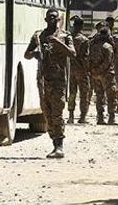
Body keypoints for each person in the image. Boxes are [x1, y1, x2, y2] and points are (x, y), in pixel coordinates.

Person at [24, 8, 76, 159]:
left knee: (57, 112)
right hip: (43, 80)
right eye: (50, 17)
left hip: (58, 81)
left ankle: (59, 146)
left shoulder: (65, 36)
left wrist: (59, 43)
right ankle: (54, 141)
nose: (53, 20)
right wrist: (35, 53)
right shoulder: (38, 36)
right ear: (46, 19)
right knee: (47, 113)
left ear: (59, 20)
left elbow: (72, 53)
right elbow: (26, 54)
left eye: (55, 18)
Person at [89, 27, 118, 125]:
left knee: (99, 96)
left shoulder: (93, 46)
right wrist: (100, 70)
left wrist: (94, 71)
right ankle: (111, 118)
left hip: (96, 75)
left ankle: (100, 118)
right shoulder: (108, 47)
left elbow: (90, 60)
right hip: (107, 75)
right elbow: (108, 62)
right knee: (111, 96)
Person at [68, 16, 91, 124]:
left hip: (71, 69)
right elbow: (85, 57)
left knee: (72, 93)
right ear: (82, 26)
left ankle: (71, 115)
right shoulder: (84, 40)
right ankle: (82, 117)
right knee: (84, 94)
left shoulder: (68, 38)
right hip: (81, 70)